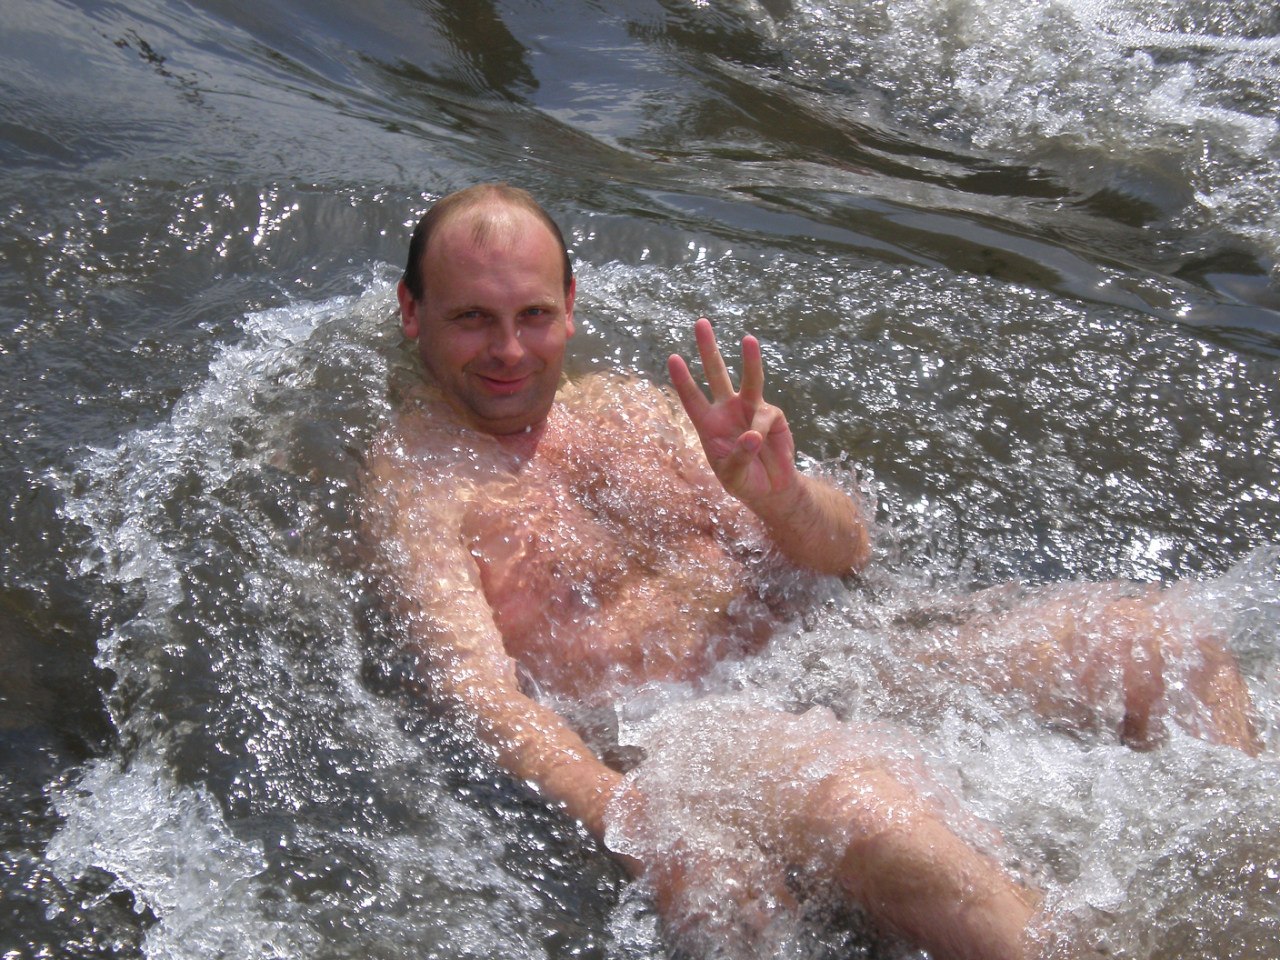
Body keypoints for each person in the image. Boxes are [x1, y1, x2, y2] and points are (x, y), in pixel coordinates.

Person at [363, 183, 1260, 960]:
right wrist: (639, 821)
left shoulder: (632, 411)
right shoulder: (417, 483)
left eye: (531, 315)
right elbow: (476, 695)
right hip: (688, 734)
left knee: (1158, 643)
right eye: (472, 318)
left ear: (569, 305)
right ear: (412, 312)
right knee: (869, 810)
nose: (510, 350)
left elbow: (847, 549)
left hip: (840, 657)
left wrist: (785, 499)